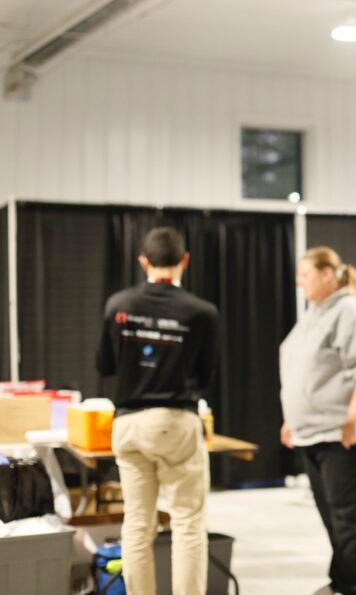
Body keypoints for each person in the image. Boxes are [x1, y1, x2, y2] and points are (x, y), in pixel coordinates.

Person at [95, 226, 219, 595]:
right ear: (185, 260)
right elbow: (205, 375)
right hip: (176, 421)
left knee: (136, 524)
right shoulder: (202, 313)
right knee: (187, 523)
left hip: (129, 423)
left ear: (143, 261)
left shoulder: (118, 305)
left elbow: (104, 366)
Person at [279, 247, 356, 595]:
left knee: (347, 517)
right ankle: (341, 580)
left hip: (340, 433)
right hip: (311, 432)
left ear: (328, 274)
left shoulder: (349, 310)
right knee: (332, 515)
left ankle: (350, 585)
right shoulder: (315, 314)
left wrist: (353, 417)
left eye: (305, 275)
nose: (300, 283)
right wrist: (290, 419)